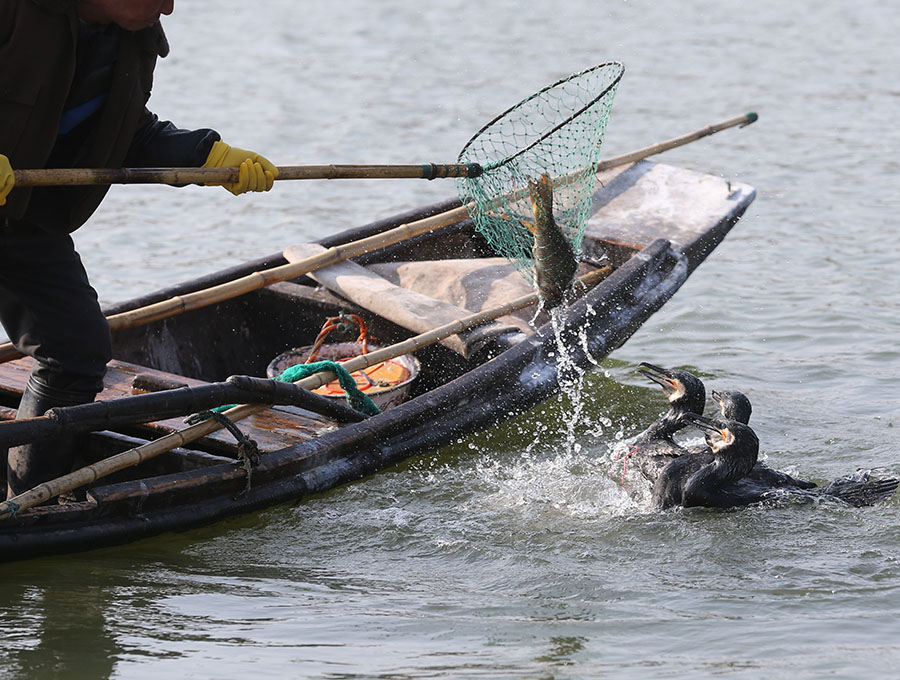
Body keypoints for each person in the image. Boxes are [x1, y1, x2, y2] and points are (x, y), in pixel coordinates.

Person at [0, 0, 278, 499]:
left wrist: (208, 156)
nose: (169, 7)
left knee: (76, 352)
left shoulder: (134, 34)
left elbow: (120, 131)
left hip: (20, 218)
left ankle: (22, 505)